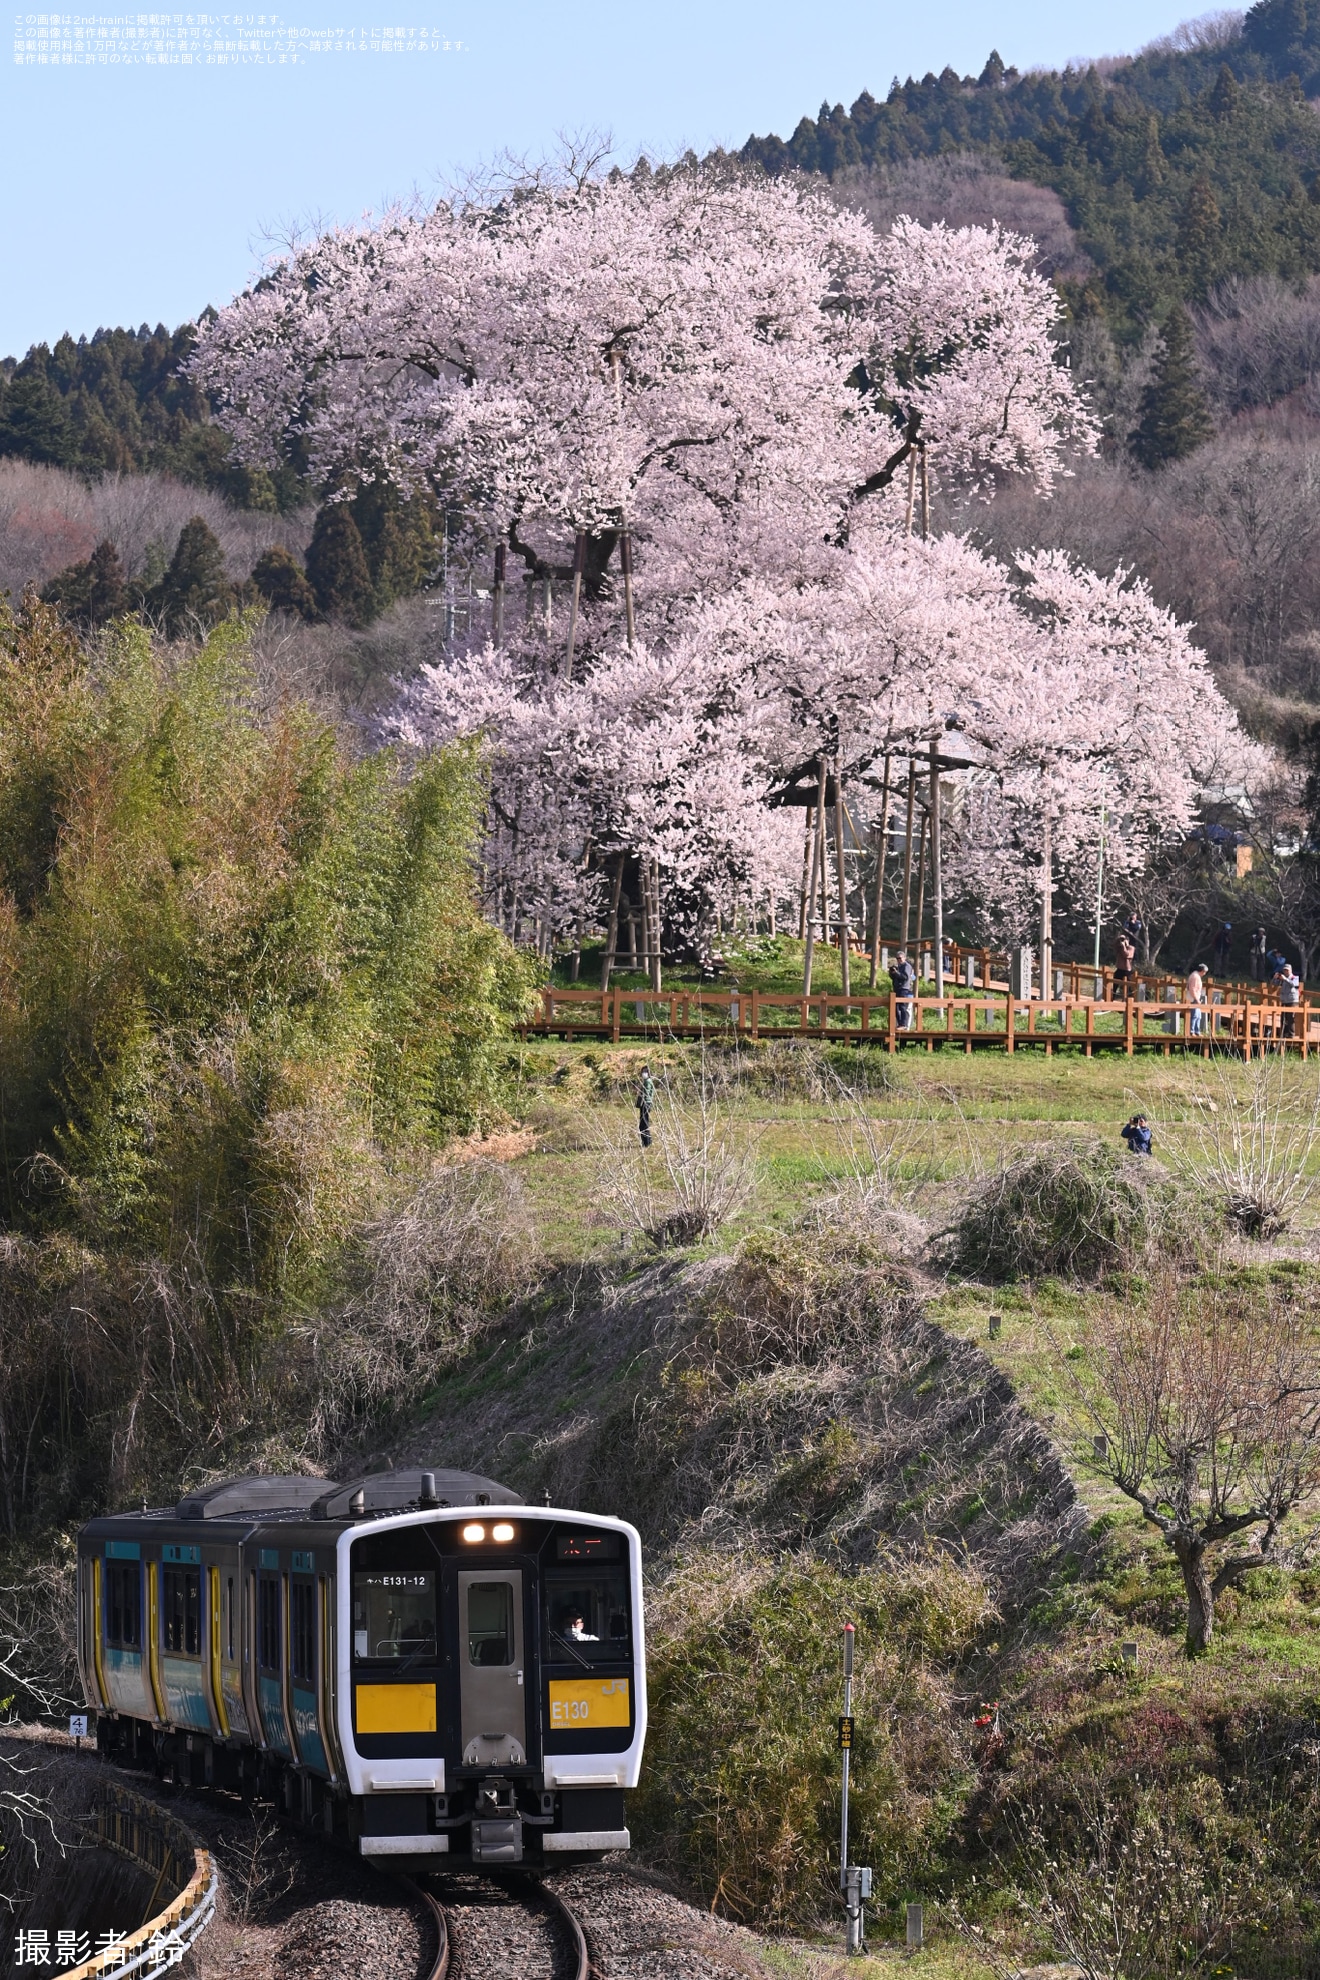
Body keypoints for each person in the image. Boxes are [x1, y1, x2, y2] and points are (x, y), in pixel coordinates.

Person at [890, 949, 917, 1032]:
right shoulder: (898, 966)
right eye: (897, 958)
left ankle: (904, 1024)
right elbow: (894, 978)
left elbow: (905, 977)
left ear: (904, 958)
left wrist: (897, 973)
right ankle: (900, 1024)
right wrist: (892, 973)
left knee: (902, 1007)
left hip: (904, 989)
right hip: (897, 988)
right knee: (895, 1007)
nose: (899, 960)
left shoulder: (907, 966)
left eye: (900, 958)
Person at [1274, 960, 1301, 1039]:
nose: (1286, 971)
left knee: (1291, 1018)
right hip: (1284, 1000)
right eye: (1284, 970)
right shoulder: (1283, 978)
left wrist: (1285, 979)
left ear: (1290, 970)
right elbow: (1274, 985)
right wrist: (1275, 978)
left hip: (1292, 1001)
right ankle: (1284, 1034)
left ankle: (1291, 1035)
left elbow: (1294, 985)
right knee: (1283, 1018)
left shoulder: (1294, 978)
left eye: (1287, 970)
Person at [636, 1065, 655, 1148]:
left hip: (645, 1104)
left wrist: (640, 1092)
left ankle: (646, 1143)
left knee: (643, 1124)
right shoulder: (647, 1081)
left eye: (645, 1072)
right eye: (643, 1072)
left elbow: (646, 1093)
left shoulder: (647, 1081)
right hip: (647, 1103)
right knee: (644, 1123)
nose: (643, 1073)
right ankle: (647, 1142)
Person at [1185, 964, 1206, 1037]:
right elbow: (1192, 989)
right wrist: (1197, 999)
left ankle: (1197, 1031)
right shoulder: (1195, 976)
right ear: (1202, 971)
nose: (1205, 973)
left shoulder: (1196, 975)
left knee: (1198, 1016)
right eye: (1204, 971)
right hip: (1194, 998)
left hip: (1196, 998)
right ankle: (1192, 1031)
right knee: (1194, 1015)